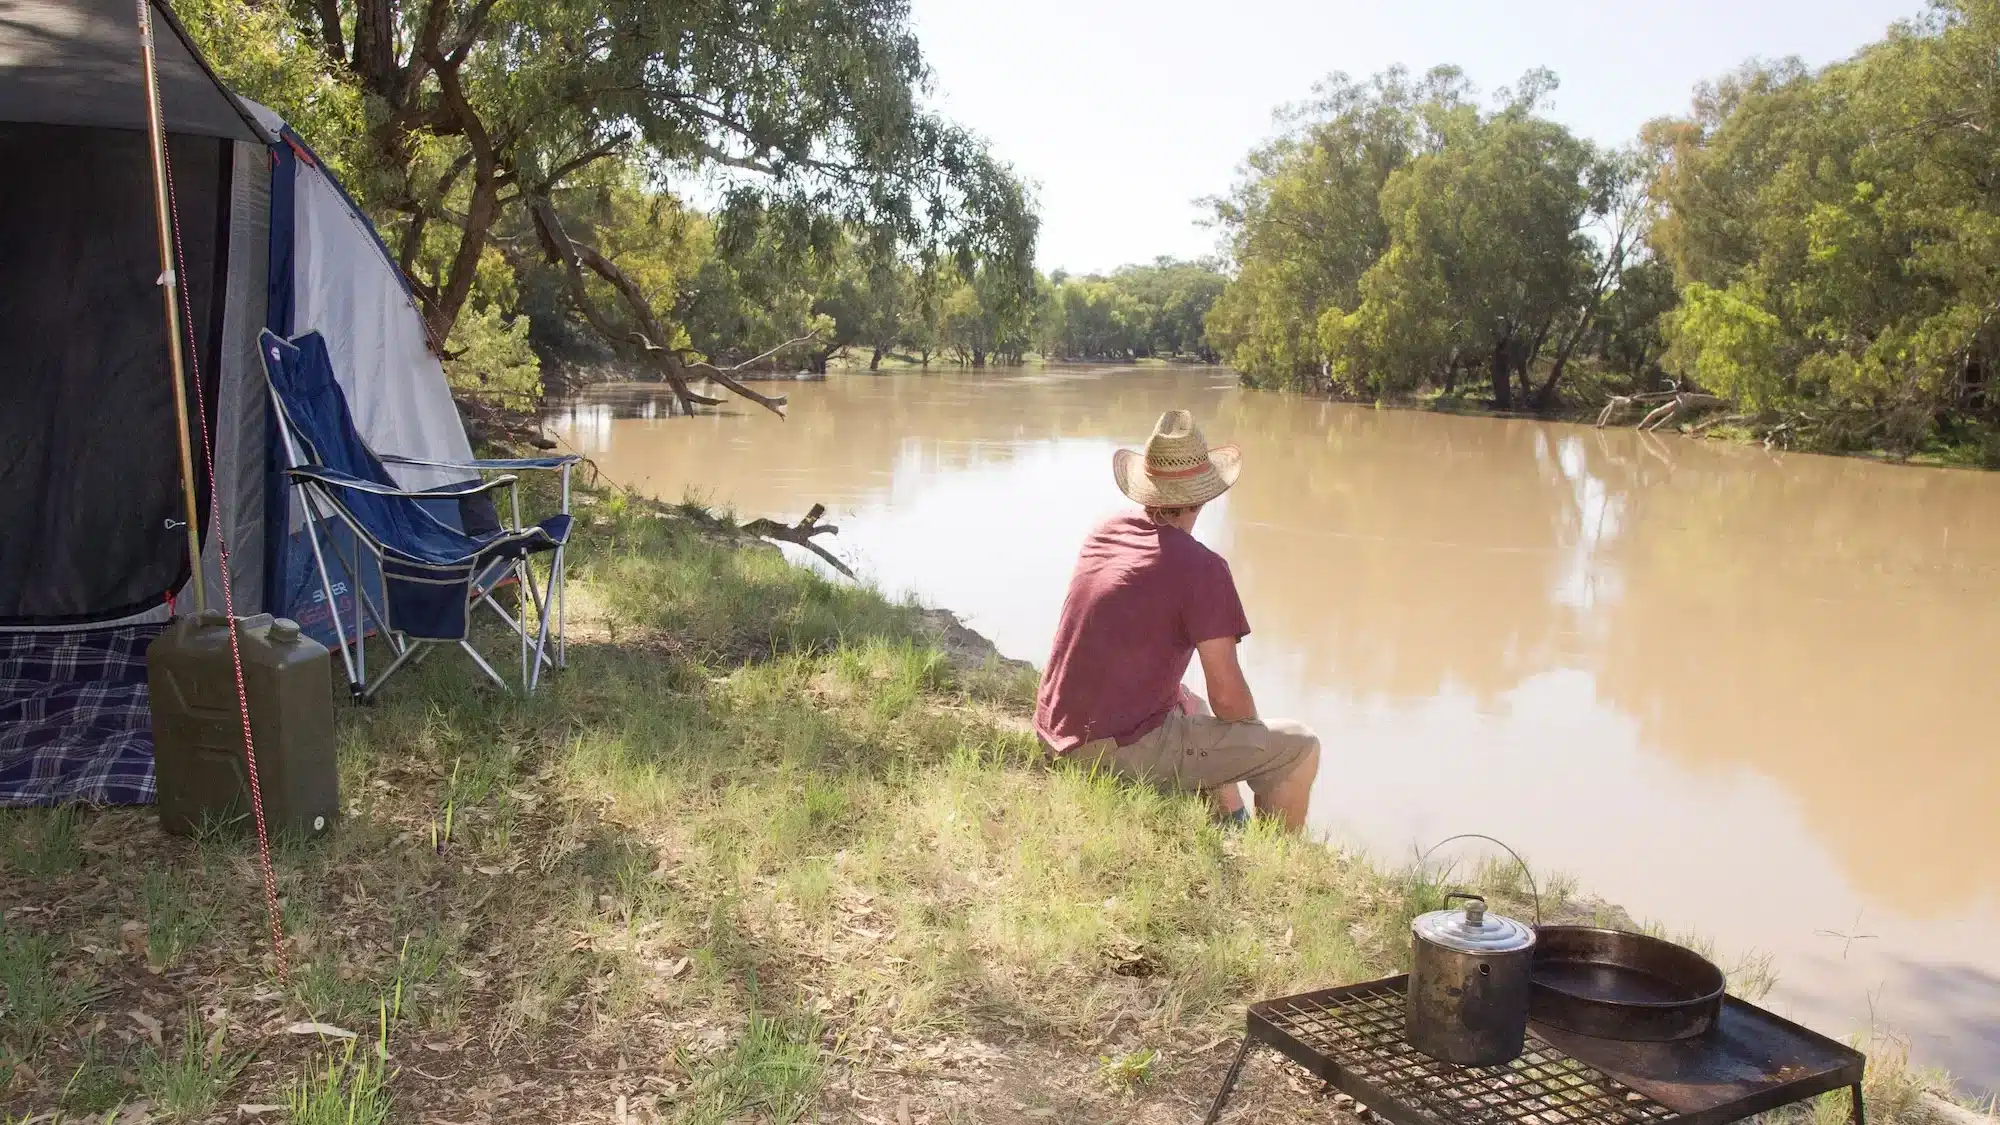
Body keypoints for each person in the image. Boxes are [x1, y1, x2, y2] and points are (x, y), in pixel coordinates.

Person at [1034, 410, 1322, 830]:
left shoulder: (1106, 532)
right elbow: (1230, 701)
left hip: (1055, 731)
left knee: (1192, 704)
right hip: (1108, 754)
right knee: (1299, 746)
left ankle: (1231, 820)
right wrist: (1249, 739)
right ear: (1204, 496)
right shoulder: (1202, 568)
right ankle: (1273, 856)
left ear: (1146, 488)